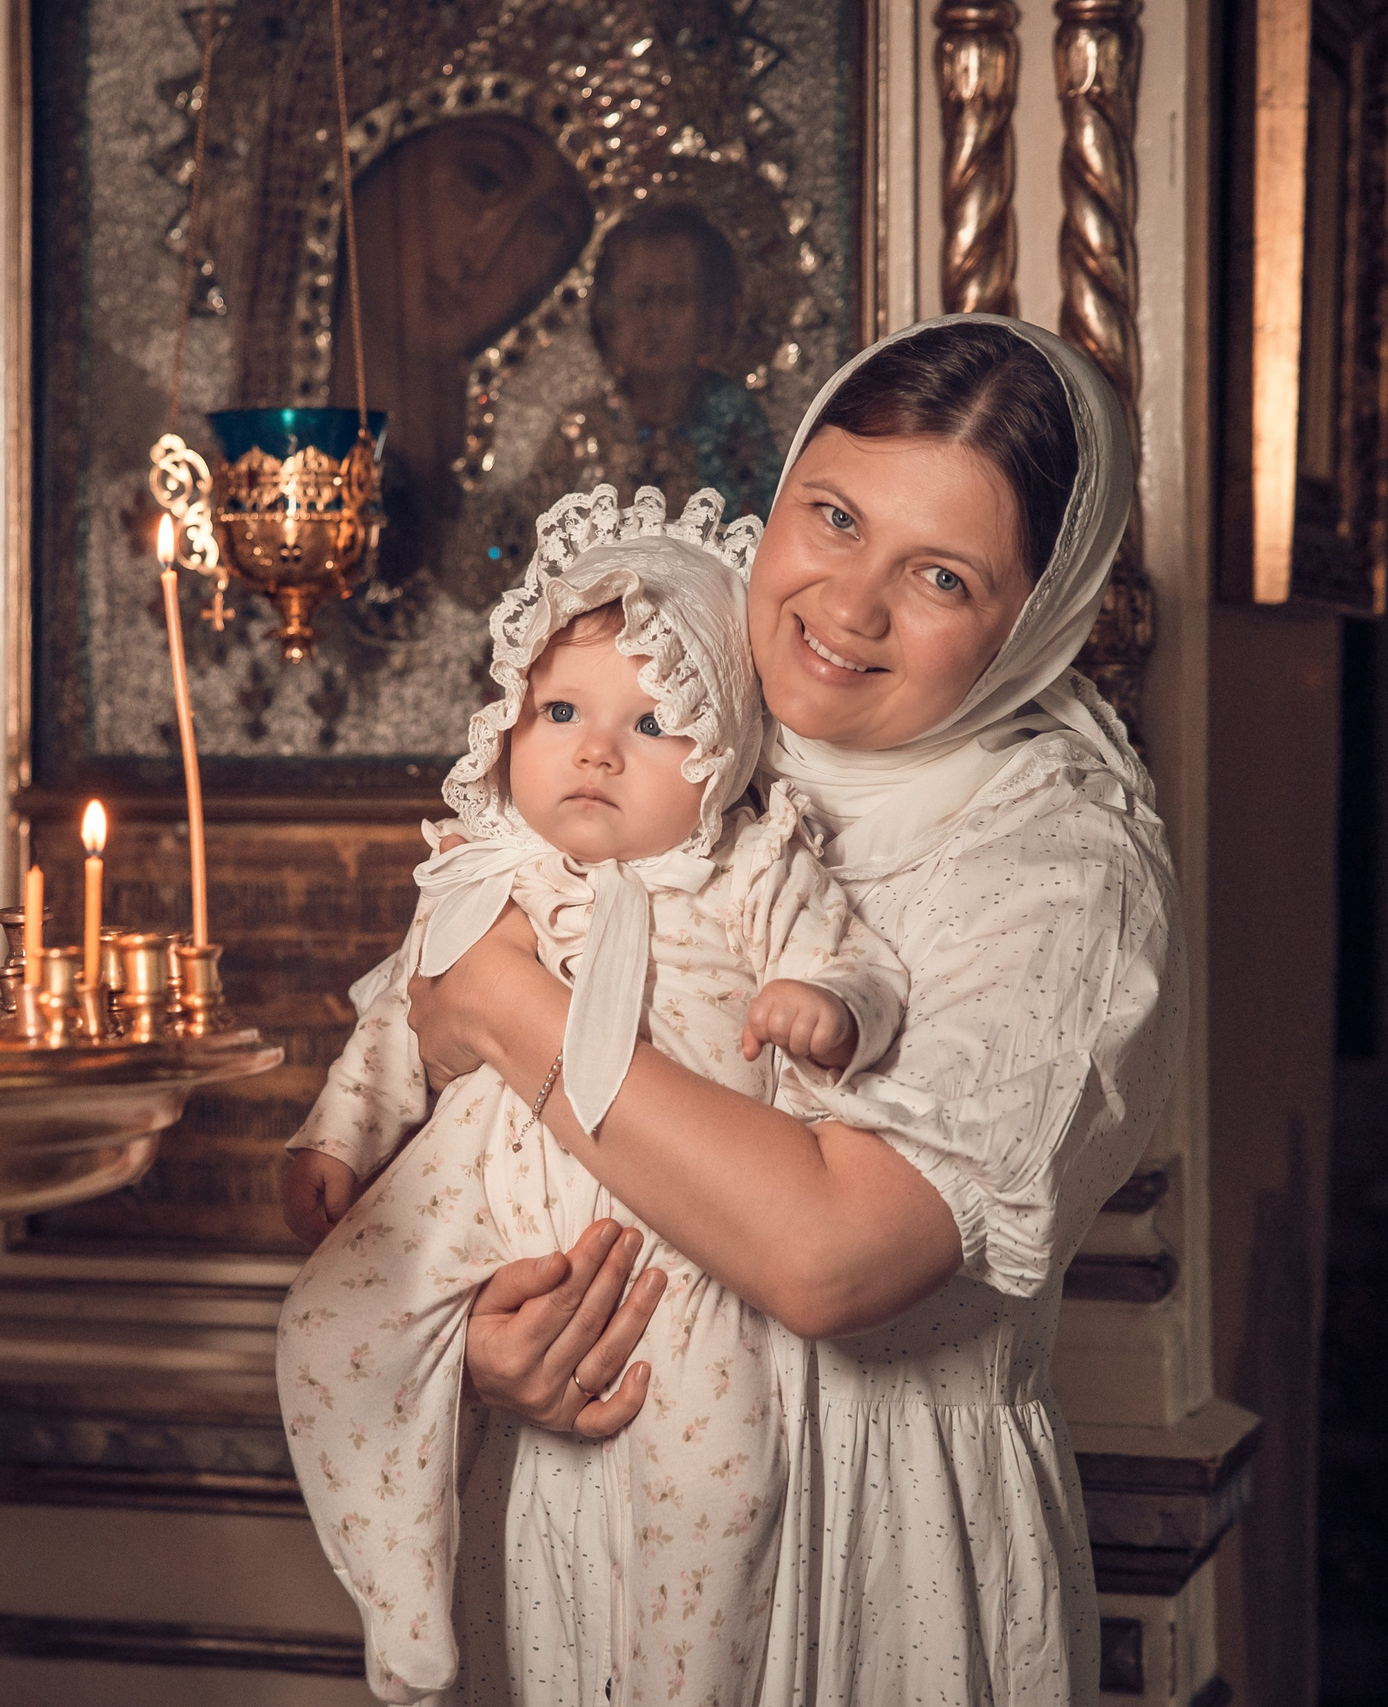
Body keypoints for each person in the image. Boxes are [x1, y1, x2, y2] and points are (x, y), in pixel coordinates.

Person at [401, 314, 1182, 1702]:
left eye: (940, 575)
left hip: (884, 1540)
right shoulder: (671, 736)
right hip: (593, 1502)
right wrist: (483, 1338)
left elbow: (833, 1253)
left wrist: (507, 1005)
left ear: (1037, 617)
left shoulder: (1059, 861)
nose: (847, 605)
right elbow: (466, 1144)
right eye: (831, 515)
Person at [277, 487, 908, 1704]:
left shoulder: (744, 865)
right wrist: (337, 1137)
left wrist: (825, 1009)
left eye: (655, 721)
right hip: (478, 1185)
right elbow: (398, 1024)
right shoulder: (484, 875)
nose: (593, 748)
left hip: (679, 1238)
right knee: (330, 1325)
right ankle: (399, 1600)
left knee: (715, 1478)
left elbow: (853, 964)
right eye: (558, 710)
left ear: (724, 746)